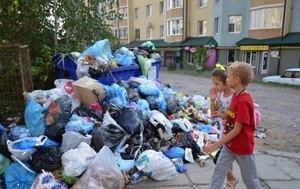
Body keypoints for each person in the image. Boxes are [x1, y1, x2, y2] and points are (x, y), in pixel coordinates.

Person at [204, 62, 261, 189]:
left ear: (236, 79)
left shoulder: (244, 100)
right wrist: (227, 120)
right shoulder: (236, 95)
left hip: (243, 148)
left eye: (229, 77)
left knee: (250, 181)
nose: (227, 78)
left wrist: (215, 145)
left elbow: (237, 130)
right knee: (219, 171)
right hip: (229, 146)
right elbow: (233, 116)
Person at [209, 64, 237, 189]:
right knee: (226, 159)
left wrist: (222, 114)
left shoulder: (234, 96)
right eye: (214, 84)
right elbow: (214, 113)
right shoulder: (220, 95)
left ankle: (232, 179)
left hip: (232, 132)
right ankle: (230, 183)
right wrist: (212, 100)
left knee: (219, 158)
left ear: (226, 82)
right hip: (223, 130)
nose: (215, 87)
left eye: (217, 84)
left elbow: (236, 116)